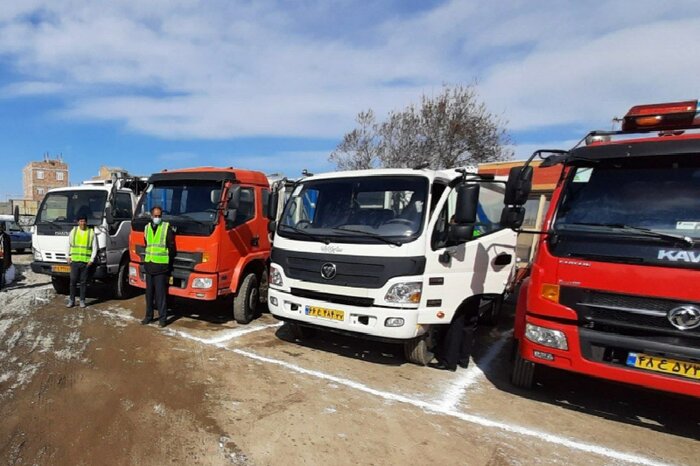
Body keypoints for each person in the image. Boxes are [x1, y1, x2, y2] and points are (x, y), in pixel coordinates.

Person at [141, 206, 175, 328]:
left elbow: (171, 247)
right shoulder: (146, 228)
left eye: (159, 216)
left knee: (160, 295)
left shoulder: (166, 227)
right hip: (149, 265)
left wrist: (168, 264)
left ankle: (162, 319)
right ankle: (148, 316)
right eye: (155, 216)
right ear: (151, 216)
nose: (157, 218)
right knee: (149, 294)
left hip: (161, 267)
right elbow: (147, 244)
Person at [431, 297, 480, 371]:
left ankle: (449, 362)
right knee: (468, 327)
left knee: (455, 326)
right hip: (475, 296)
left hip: (460, 296)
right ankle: (463, 360)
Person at [67, 213, 97, 308]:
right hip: (75, 261)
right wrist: (68, 256)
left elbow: (95, 247)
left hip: (85, 262)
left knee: (83, 282)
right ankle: (71, 300)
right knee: (73, 281)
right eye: (80, 221)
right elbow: (68, 244)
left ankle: (82, 300)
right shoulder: (74, 231)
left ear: (86, 222)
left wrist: (91, 260)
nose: (82, 223)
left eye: (84, 221)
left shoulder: (91, 232)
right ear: (78, 222)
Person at [0, 222, 11, 290]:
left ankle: (1, 285)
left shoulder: (6, 236)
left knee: (2, 271)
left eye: (1, 227)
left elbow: (8, 250)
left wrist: (9, 260)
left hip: (3, 257)